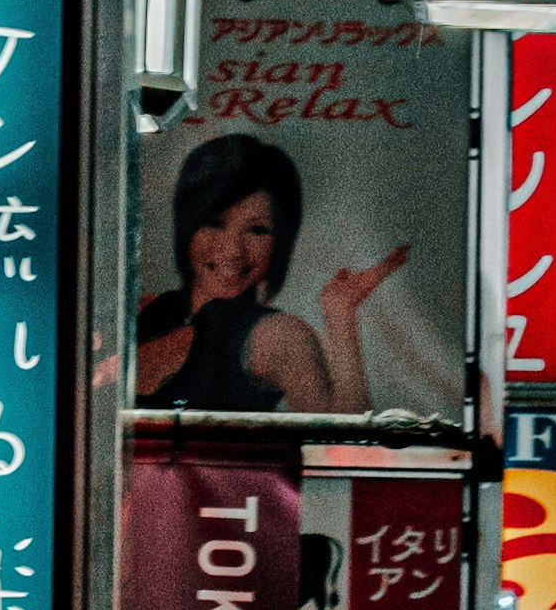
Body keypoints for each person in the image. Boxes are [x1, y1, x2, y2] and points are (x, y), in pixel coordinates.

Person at [133, 129, 410, 413]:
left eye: (257, 230)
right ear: (187, 225)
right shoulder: (150, 311)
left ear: (279, 242)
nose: (233, 250)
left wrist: (341, 316)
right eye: (215, 223)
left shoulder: (277, 335)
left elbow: (343, 443)